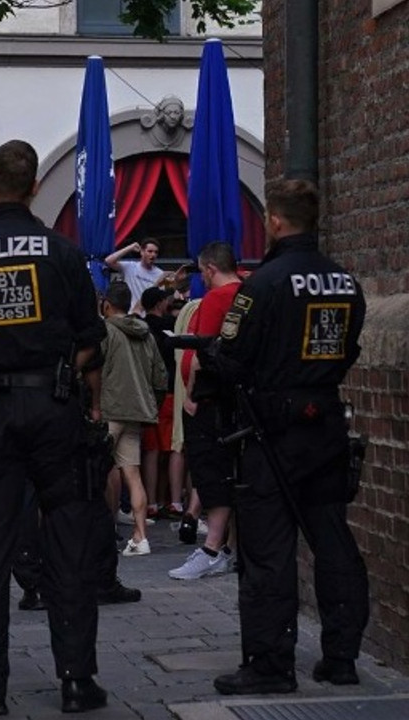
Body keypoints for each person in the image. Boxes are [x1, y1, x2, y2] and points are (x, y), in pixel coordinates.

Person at [0, 139, 109, 715]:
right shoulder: (61, 252)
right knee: (69, 544)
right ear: (34, 187)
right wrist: (57, 370)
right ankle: (77, 681)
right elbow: (92, 340)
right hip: (53, 407)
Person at [209, 179, 368, 695]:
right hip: (325, 424)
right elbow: (348, 351)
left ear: (275, 221)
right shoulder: (344, 282)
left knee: (268, 551)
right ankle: (341, 656)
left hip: (271, 430)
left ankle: (271, 665)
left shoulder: (264, 284)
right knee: (332, 539)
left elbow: (231, 357)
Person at [169, 242, 241, 581]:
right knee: (230, 471)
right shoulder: (248, 293)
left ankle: (212, 549)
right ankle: (228, 548)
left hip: (209, 401)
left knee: (210, 470)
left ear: (210, 269)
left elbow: (203, 348)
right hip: (233, 398)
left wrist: (193, 395)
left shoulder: (215, 299)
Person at [99, 282, 168, 558]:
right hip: (137, 410)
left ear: (106, 304)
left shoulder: (104, 331)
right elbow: (159, 375)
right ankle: (141, 536)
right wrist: (153, 403)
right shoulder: (145, 333)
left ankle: (106, 530)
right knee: (133, 474)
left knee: (104, 470)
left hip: (109, 407)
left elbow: (94, 368)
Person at [140, 286, 183, 520]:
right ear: (159, 304)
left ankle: (151, 502)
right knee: (169, 449)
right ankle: (170, 500)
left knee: (151, 450)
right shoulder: (169, 327)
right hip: (168, 392)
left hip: (146, 393)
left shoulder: (140, 327)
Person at [106, 238, 168, 315]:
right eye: (150, 251)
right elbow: (109, 261)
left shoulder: (160, 273)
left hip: (149, 317)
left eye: (156, 252)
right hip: (131, 315)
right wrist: (130, 247)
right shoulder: (130, 267)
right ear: (142, 252)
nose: (153, 255)